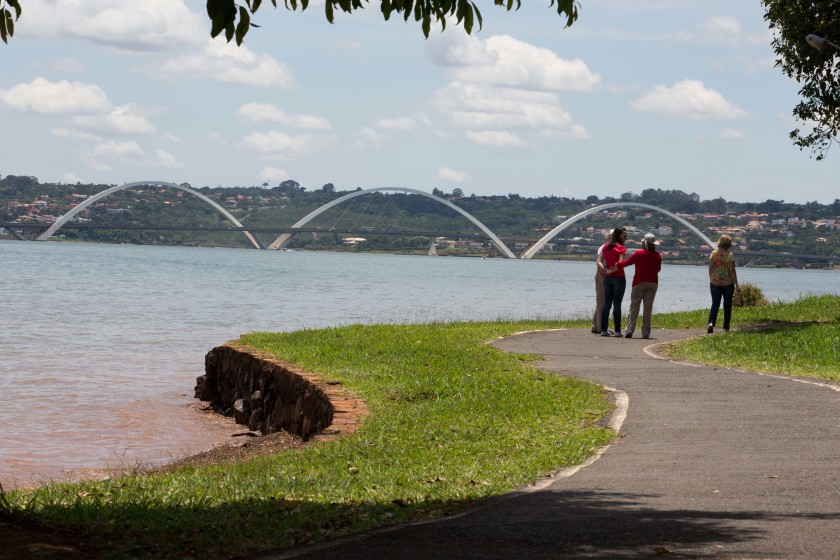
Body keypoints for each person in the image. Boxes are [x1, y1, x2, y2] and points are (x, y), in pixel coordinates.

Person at [612, 233, 662, 339]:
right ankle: (646, 333)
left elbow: (627, 263)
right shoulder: (658, 255)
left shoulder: (638, 253)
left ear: (644, 243)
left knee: (634, 306)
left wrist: (617, 264)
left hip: (639, 282)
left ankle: (630, 330)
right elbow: (658, 269)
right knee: (648, 309)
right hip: (653, 283)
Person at [597, 227, 627, 337]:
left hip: (607, 278)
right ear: (620, 236)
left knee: (607, 303)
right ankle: (618, 331)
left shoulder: (606, 246)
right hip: (618, 277)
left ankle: (603, 330)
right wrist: (613, 270)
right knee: (617, 304)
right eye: (624, 235)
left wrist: (606, 270)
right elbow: (620, 264)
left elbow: (599, 261)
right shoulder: (621, 248)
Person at [707, 234, 740, 334]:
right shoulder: (730, 255)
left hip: (714, 282)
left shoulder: (714, 253)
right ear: (729, 244)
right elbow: (732, 270)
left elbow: (710, 268)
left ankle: (711, 323)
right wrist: (736, 284)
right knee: (727, 305)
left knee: (715, 304)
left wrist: (711, 278)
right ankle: (726, 327)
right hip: (728, 283)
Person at [591, 241, 606, 334]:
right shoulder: (604, 248)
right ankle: (601, 327)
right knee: (602, 301)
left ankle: (596, 325)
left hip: (602, 274)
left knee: (600, 301)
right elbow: (601, 263)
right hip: (603, 275)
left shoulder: (603, 247)